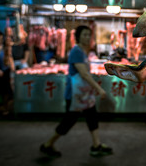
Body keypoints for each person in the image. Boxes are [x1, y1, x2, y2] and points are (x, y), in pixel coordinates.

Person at [40, 25, 112, 157]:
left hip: (83, 93)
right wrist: (99, 89)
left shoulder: (82, 51)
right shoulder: (76, 51)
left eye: (88, 35)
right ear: (78, 36)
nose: (87, 37)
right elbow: (84, 74)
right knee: (69, 121)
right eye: (84, 34)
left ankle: (96, 145)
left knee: (92, 117)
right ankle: (48, 145)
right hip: (75, 95)